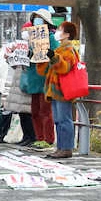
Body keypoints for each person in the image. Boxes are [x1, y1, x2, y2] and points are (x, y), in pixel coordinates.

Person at [39, 21, 81, 159]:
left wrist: (53, 57)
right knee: (58, 119)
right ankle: (61, 147)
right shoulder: (60, 49)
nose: (58, 32)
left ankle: (66, 148)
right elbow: (45, 70)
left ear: (67, 34)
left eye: (60, 30)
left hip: (63, 90)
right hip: (56, 90)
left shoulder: (69, 50)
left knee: (64, 119)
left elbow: (64, 68)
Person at [26, 9, 57, 149]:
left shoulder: (52, 38)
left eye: (40, 19)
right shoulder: (31, 38)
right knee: (35, 111)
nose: (36, 21)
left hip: (45, 79)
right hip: (34, 78)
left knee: (45, 111)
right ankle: (39, 137)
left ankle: (48, 138)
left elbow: (56, 56)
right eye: (35, 19)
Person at [3, 25, 36, 146]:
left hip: (26, 81)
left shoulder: (33, 46)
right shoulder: (20, 46)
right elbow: (16, 65)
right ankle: (26, 136)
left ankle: (31, 136)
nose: (24, 33)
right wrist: (10, 58)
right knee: (21, 112)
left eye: (26, 31)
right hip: (18, 81)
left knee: (28, 112)